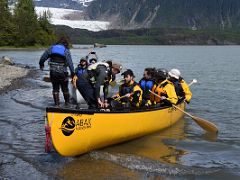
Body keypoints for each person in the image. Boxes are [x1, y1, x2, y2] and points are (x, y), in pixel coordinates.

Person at [39, 36, 75, 107]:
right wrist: (73, 74)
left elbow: (43, 57)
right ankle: (67, 104)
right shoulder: (66, 50)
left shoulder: (51, 48)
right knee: (65, 88)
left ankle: (57, 105)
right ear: (65, 43)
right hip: (63, 73)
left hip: (53, 72)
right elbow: (70, 63)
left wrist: (41, 64)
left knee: (55, 89)